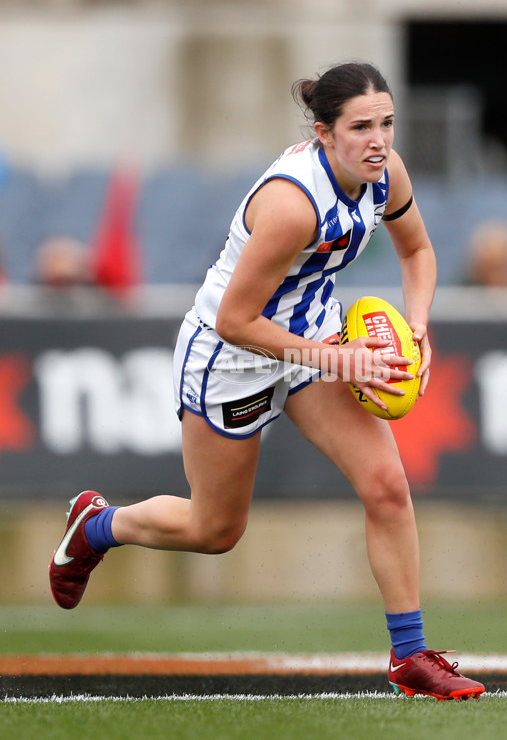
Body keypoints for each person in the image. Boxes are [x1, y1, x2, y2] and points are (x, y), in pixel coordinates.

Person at [49, 61, 484, 701]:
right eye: (361, 126)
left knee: (388, 486)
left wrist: (417, 325)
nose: (379, 140)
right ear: (323, 133)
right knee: (215, 531)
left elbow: (417, 252)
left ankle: (410, 656)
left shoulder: (385, 174)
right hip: (232, 357)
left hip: (313, 337)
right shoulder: (291, 205)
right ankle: (94, 526)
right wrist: (339, 359)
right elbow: (235, 319)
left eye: (387, 124)